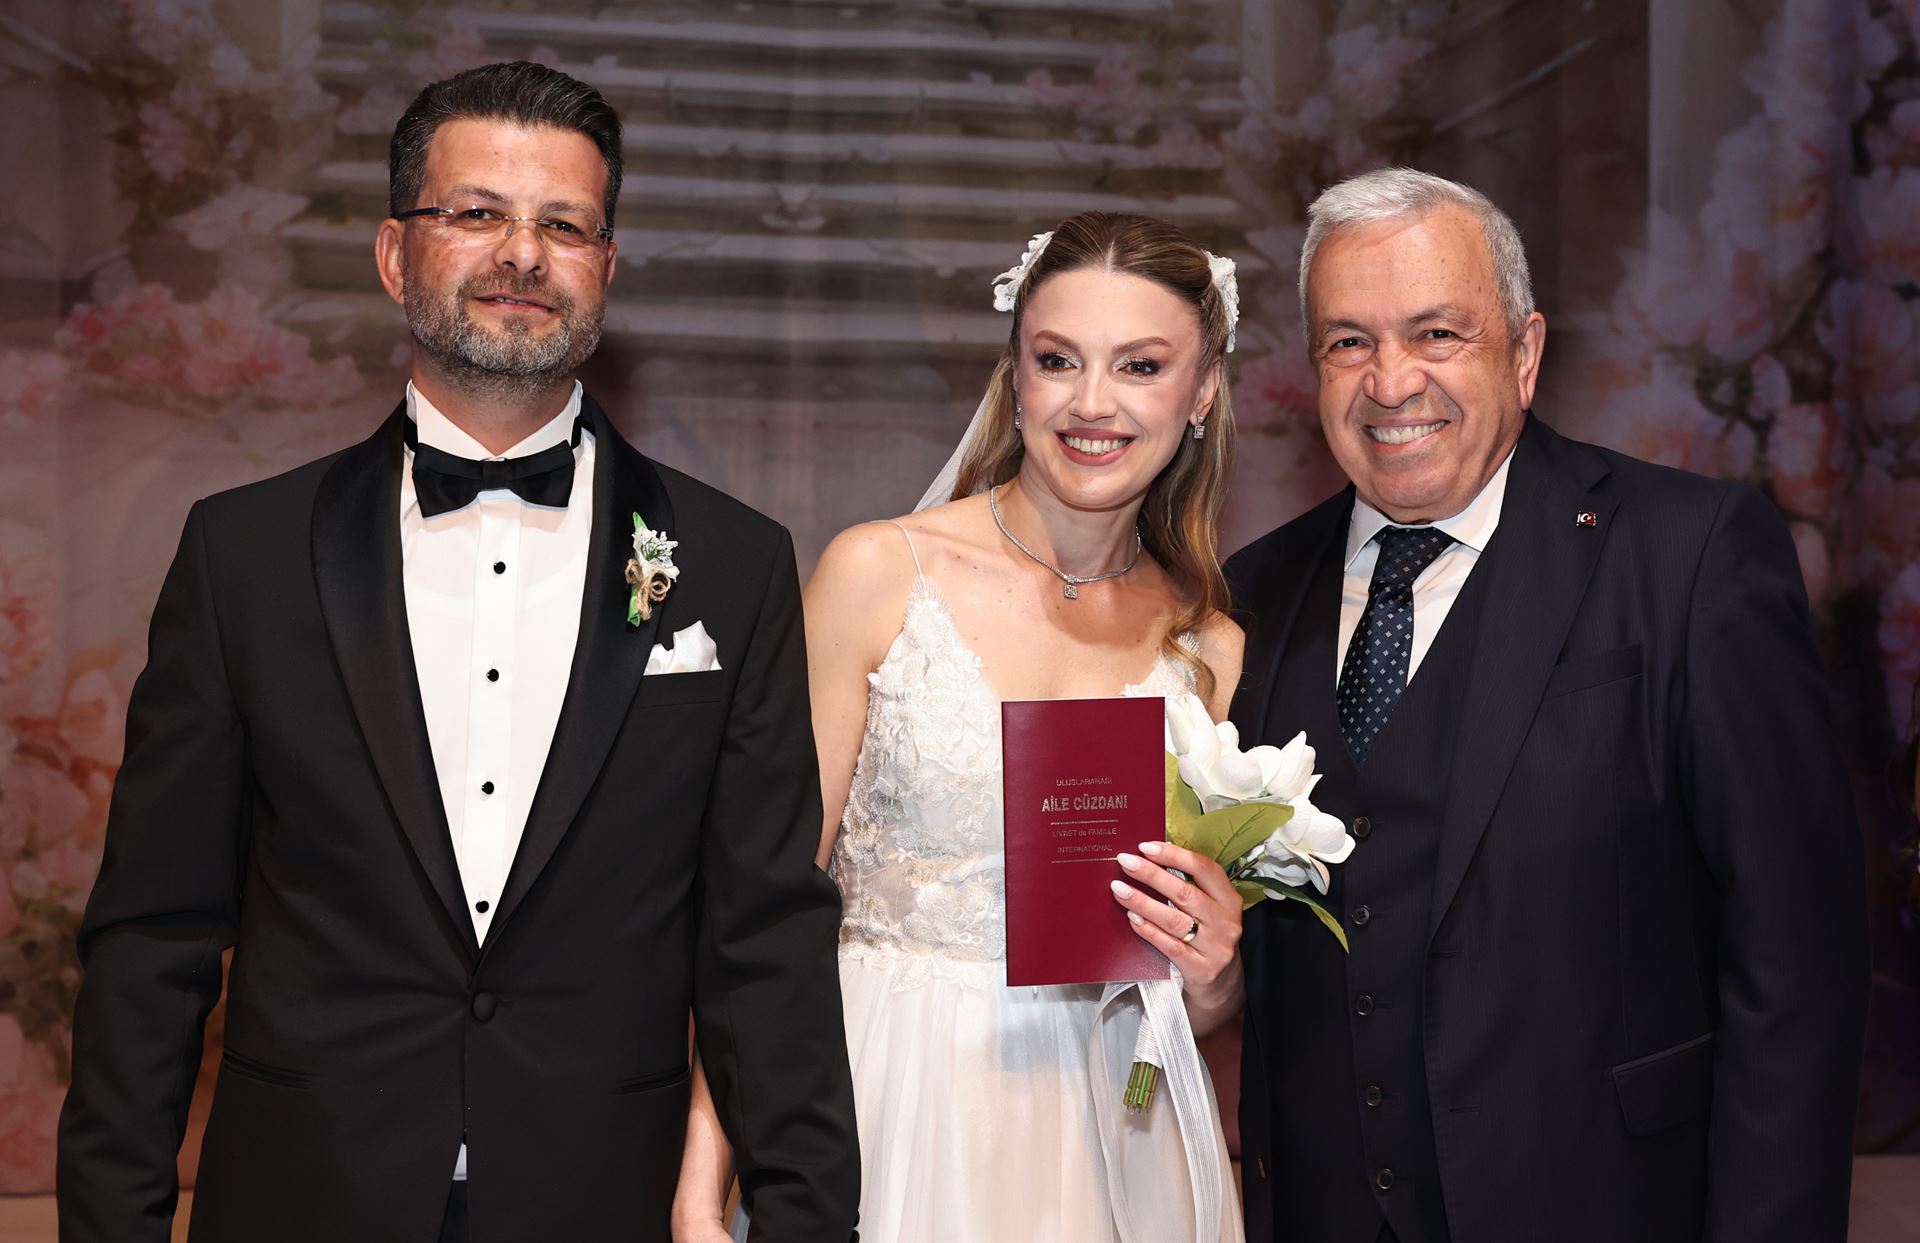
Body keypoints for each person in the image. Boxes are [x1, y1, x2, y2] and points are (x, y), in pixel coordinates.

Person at [56, 61, 859, 1243]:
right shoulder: (244, 557)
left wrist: (805, 1221)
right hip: (303, 1197)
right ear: (395, 254)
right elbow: (154, 937)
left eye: (564, 225)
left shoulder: (732, 567)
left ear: (606, 267)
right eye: (478, 212)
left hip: (601, 1202)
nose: (523, 254)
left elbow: (766, 948)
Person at [1226, 166, 1869, 1243]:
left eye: (1437, 333)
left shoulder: (1692, 557)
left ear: (1523, 354)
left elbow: (1796, 961)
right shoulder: (1252, 596)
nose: (1391, 380)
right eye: (1349, 341)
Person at [672, 212, 1248, 1243]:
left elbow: (1185, 999)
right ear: (1015, 376)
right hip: (890, 1098)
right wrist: (700, 1187)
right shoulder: (879, 573)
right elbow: (761, 909)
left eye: (1141, 365)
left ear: (1200, 391)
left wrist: (1213, 973)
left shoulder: (1208, 648)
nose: (1093, 402)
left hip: (1112, 1141)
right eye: (1058, 359)